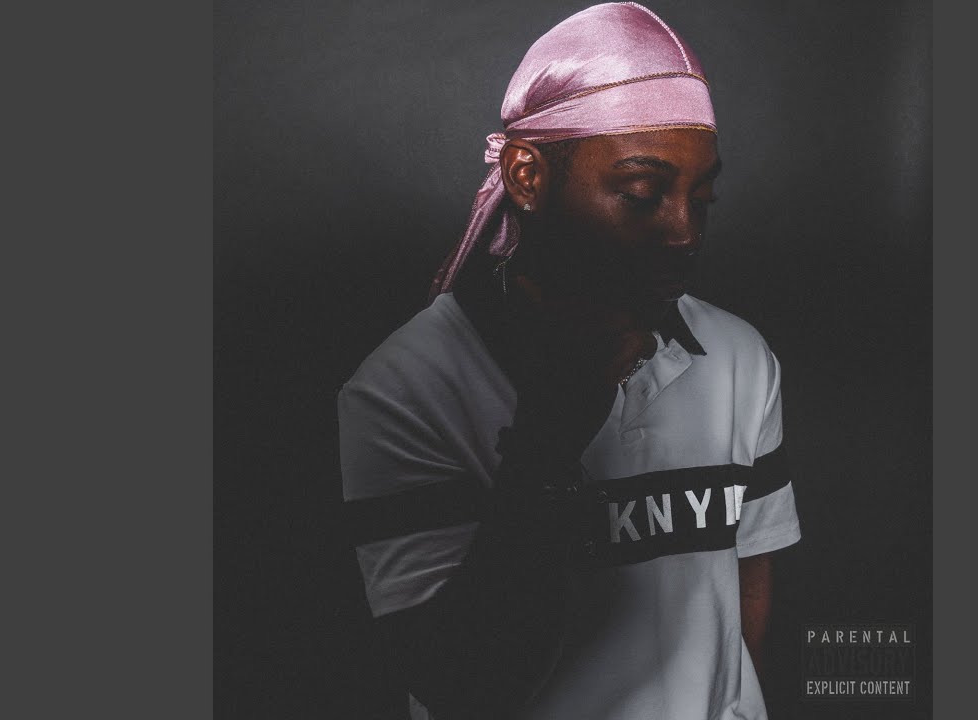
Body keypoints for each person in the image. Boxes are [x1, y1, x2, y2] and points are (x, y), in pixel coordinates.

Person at [339, 4, 801, 718]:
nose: (683, 231)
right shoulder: (405, 389)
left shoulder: (740, 356)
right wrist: (547, 444)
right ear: (526, 175)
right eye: (642, 194)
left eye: (702, 196)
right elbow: (463, 686)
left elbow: (749, 599)